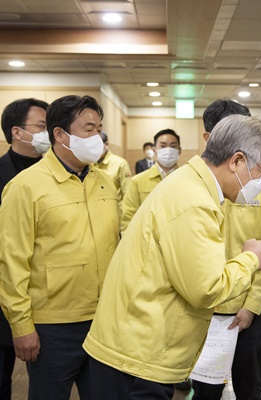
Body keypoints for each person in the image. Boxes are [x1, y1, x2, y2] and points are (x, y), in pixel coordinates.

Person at [82, 115, 261, 400]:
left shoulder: (189, 183)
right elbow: (207, 288)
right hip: (136, 357)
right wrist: (252, 258)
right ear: (237, 161)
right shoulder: (195, 202)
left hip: (137, 346)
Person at [0, 95, 120, 400]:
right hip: (52, 327)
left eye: (99, 129)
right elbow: (11, 262)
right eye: (88, 129)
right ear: (59, 134)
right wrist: (21, 325)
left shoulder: (105, 181)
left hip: (103, 319)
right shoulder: (26, 186)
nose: (97, 137)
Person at [191, 100, 261, 400]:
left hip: (251, 310)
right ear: (210, 139)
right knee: (205, 390)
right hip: (204, 310)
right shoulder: (194, 184)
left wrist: (252, 306)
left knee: (250, 387)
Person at [0, 97, 49, 400]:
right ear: (17, 132)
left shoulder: (57, 175)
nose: (49, 132)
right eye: (42, 126)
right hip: (5, 294)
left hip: (49, 303)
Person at [120, 129, 181, 232]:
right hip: (147, 243)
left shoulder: (189, 180)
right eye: (163, 146)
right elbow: (128, 217)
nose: (168, 150)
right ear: (154, 150)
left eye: (173, 146)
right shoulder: (137, 182)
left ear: (179, 150)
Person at [94, 131, 131, 206]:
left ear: (106, 144)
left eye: (97, 144)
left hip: (115, 212)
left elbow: (127, 193)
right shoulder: (88, 164)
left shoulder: (120, 163)